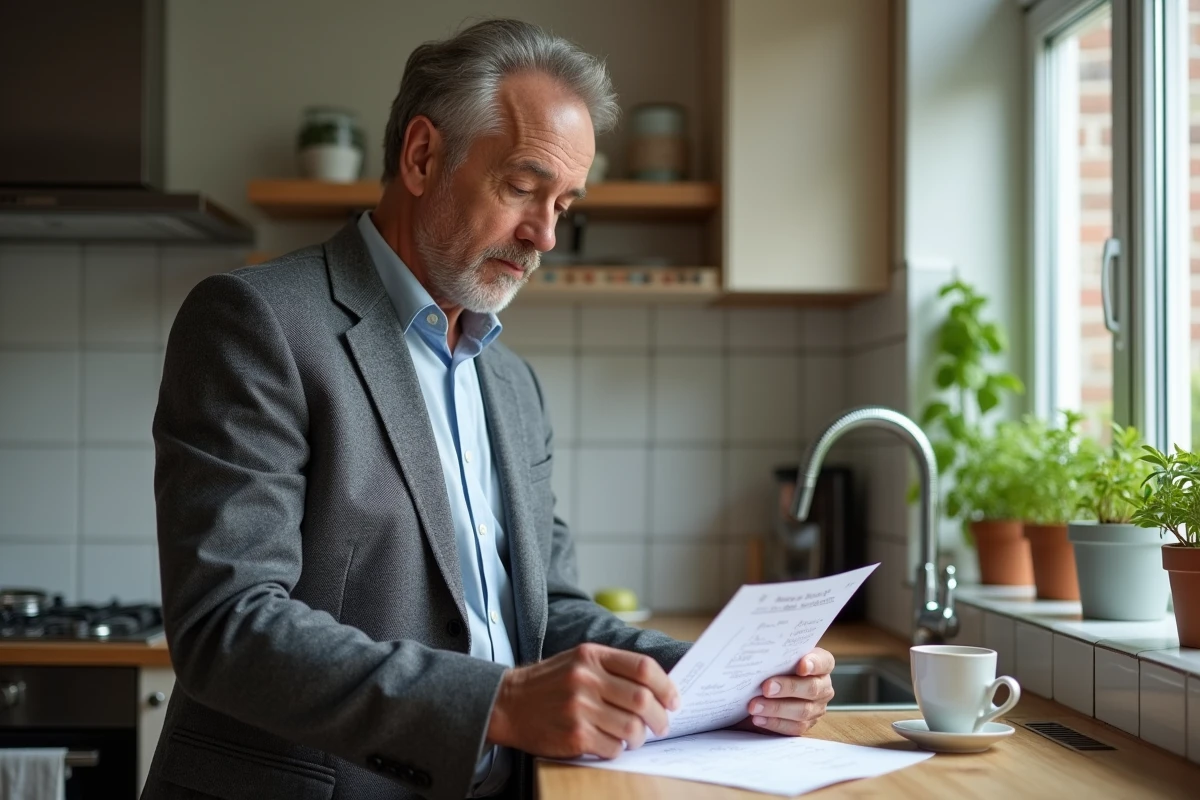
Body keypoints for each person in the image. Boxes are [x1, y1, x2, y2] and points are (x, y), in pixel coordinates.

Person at [142, 18, 835, 800]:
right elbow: (227, 627)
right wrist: (497, 702)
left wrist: (712, 679)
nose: (543, 234)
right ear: (422, 155)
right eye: (522, 187)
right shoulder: (256, 320)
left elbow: (549, 614)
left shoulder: (511, 384)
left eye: (563, 204)